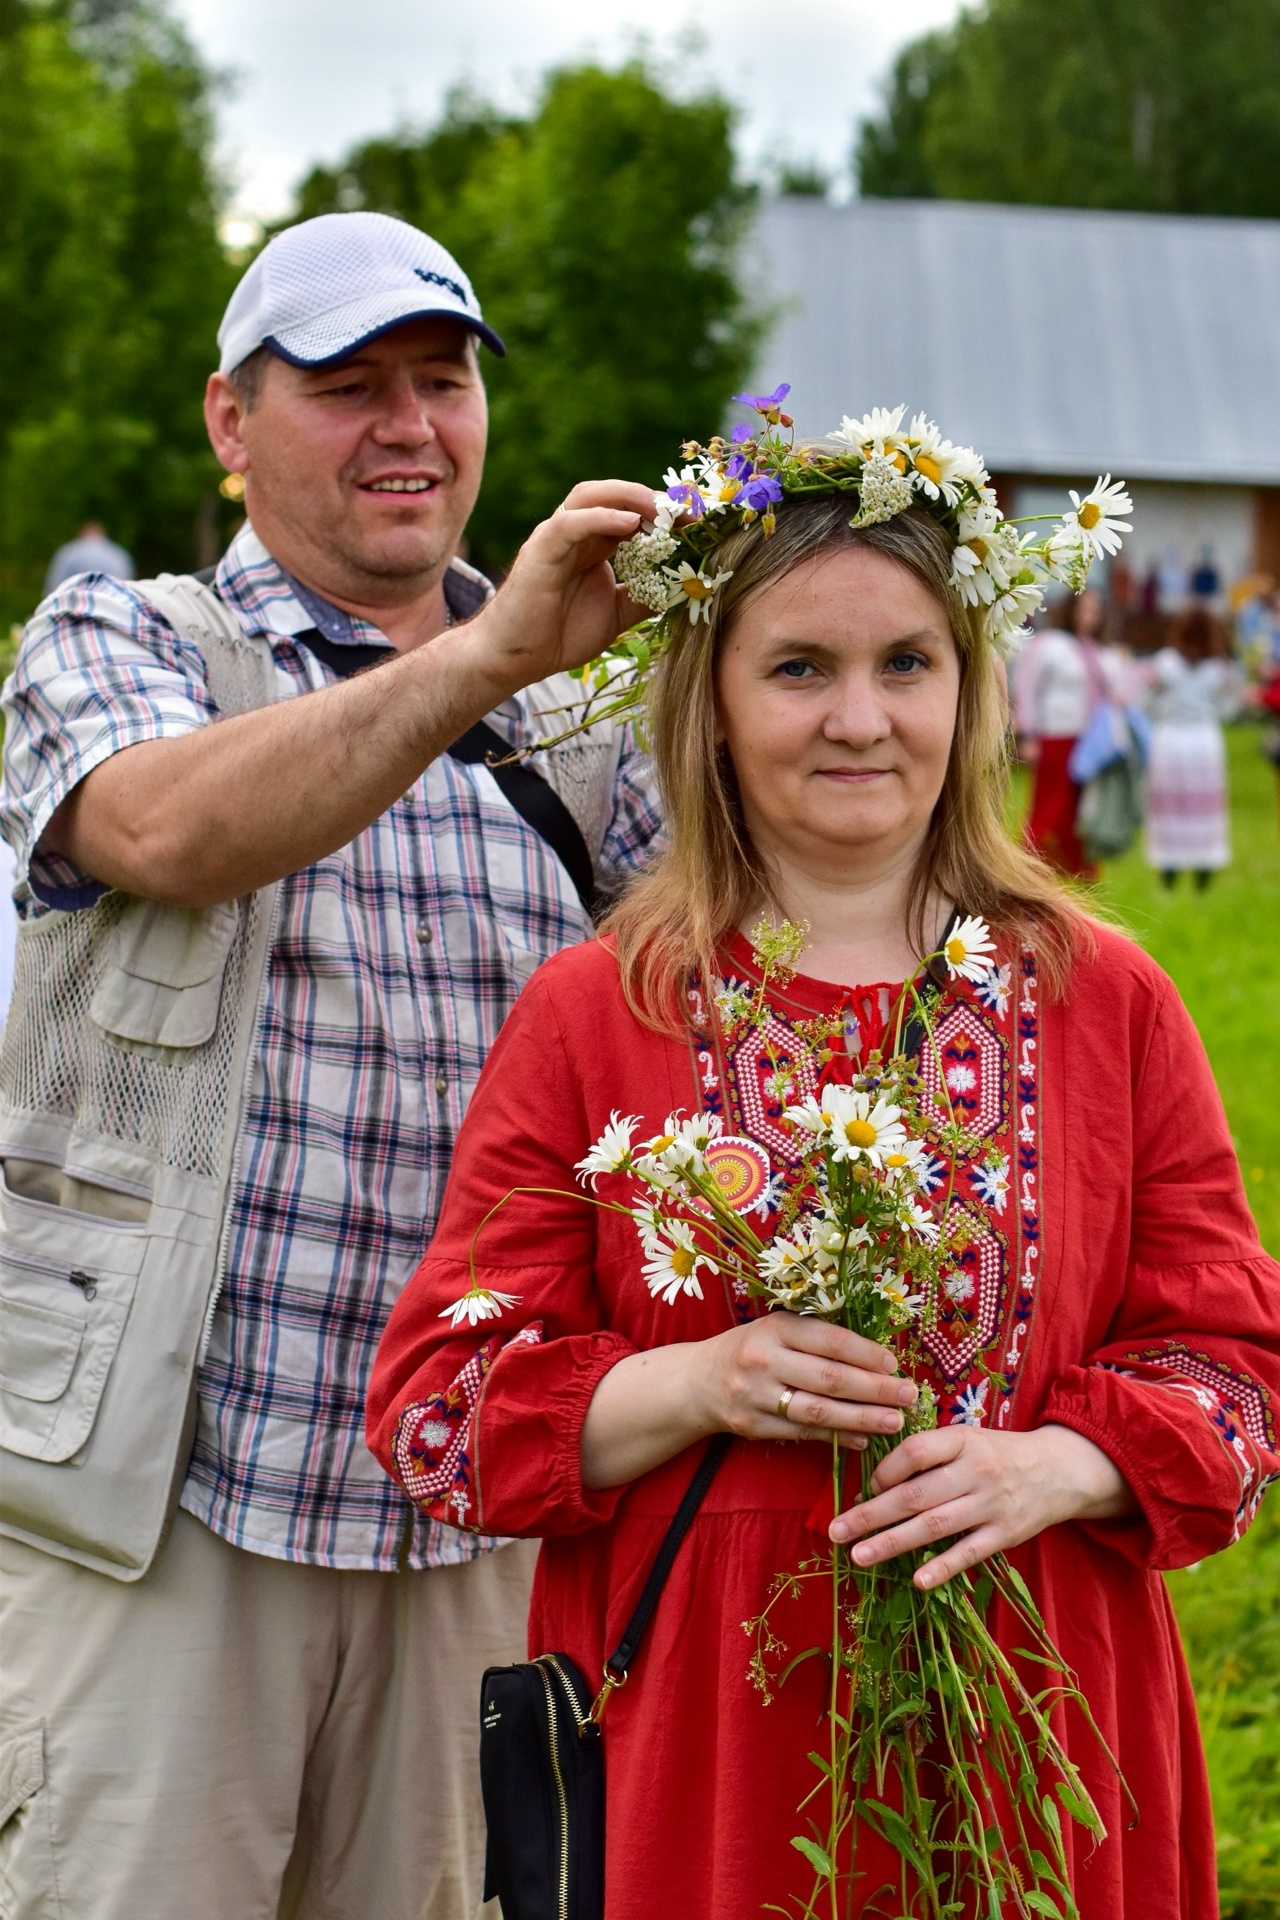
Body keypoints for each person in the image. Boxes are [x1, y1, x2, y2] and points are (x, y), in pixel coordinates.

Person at [369, 467, 1280, 1919]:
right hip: (715, 1747)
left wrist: (1059, 1466)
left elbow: (1240, 1373)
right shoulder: (602, 1011)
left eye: (906, 664)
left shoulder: (1106, 1001)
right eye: (800, 667)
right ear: (712, 702)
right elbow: (438, 1413)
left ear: (967, 688)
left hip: (1048, 1705)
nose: (861, 718)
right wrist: (706, 1379)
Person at [0, 211, 661, 1919]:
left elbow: (736, 1005)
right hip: (167, 1511)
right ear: (230, 424)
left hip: (473, 1516)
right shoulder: (117, 643)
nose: (410, 426)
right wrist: (489, 658)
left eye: (440, 383)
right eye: (348, 386)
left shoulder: (592, 727)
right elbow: (167, 826)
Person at [1144, 605, 1243, 889]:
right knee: (1203, 805)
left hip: (1171, 739)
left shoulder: (1164, 664)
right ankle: (1204, 866)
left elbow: (1147, 704)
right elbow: (1228, 711)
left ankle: (1169, 867)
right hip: (1203, 741)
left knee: (1172, 805)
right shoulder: (1217, 669)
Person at [1014, 586, 1107, 877]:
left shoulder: (1090, 649)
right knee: (1050, 802)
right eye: (1084, 609)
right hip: (1055, 733)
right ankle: (1028, 865)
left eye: (1094, 610)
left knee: (1079, 806)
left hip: (1087, 736)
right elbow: (1026, 688)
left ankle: (1075, 867)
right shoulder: (1048, 644)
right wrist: (1027, 734)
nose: (1089, 616)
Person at [42, 519, 135, 594]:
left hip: (75, 608)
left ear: (81, 533)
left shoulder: (69, 552)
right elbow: (127, 584)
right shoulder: (119, 554)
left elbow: (54, 585)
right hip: (113, 606)